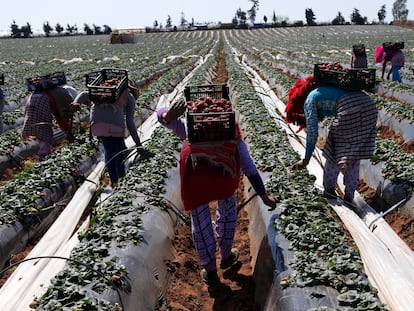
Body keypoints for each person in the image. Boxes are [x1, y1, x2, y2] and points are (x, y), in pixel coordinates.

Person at [157, 100, 277, 286]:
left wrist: (166, 116)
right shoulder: (232, 135)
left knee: (201, 222)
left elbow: (163, 117)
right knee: (228, 214)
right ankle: (226, 255)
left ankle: (210, 270)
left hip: (196, 183)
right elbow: (250, 169)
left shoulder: (194, 131)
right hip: (224, 180)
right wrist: (263, 196)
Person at [286, 75, 378, 204]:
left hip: (350, 107)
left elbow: (312, 132)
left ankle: (329, 191)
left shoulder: (310, 100)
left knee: (334, 151)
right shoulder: (324, 91)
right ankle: (349, 197)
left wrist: (306, 159)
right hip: (369, 107)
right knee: (354, 155)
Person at [72, 80, 143, 186]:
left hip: (97, 122)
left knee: (110, 147)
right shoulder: (129, 96)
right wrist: (138, 144)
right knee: (116, 152)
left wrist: (76, 102)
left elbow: (83, 94)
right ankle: (119, 180)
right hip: (116, 124)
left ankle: (115, 180)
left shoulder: (100, 91)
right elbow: (130, 123)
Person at [22, 82, 77, 161]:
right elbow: (61, 115)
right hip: (42, 102)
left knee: (37, 127)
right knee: (45, 130)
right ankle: (43, 157)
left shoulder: (59, 91)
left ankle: (43, 153)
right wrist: (68, 130)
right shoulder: (65, 95)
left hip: (32, 99)